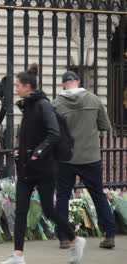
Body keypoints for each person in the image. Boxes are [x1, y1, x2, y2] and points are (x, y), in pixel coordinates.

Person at [0, 64, 86, 264]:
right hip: (27, 167)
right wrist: (20, 149)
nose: (16, 89)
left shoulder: (43, 105)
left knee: (48, 209)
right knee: (20, 210)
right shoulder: (28, 105)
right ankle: (18, 255)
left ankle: (75, 239)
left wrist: (37, 152)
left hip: (45, 168)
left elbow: (54, 134)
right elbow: (30, 134)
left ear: (28, 86)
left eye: (18, 85)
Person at [52, 71, 115, 249]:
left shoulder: (55, 104)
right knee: (98, 195)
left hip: (66, 158)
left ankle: (64, 237)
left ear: (63, 84)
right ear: (78, 82)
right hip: (90, 157)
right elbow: (105, 126)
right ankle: (109, 234)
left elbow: (52, 132)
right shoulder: (94, 100)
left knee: (63, 197)